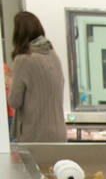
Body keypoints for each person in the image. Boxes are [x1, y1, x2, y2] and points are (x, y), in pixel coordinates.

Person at [7, 11, 66, 142]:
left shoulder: (23, 59)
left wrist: (9, 81)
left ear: (18, 34)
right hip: (60, 134)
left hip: (35, 135)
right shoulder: (53, 55)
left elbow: (14, 101)